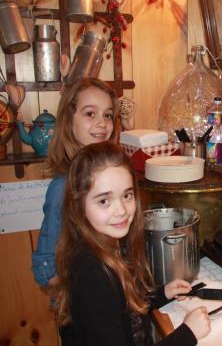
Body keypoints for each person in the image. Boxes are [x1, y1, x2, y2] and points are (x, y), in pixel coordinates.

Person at [54, 141, 211, 345]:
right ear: (78, 206)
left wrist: (162, 293)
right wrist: (187, 334)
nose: (121, 210)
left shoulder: (113, 244)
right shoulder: (90, 274)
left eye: (127, 195)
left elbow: (125, 309)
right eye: (104, 201)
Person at [32, 78, 121, 288]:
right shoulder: (63, 188)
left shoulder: (109, 177)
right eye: (90, 113)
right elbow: (45, 269)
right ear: (69, 120)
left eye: (108, 115)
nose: (102, 123)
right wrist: (87, 285)